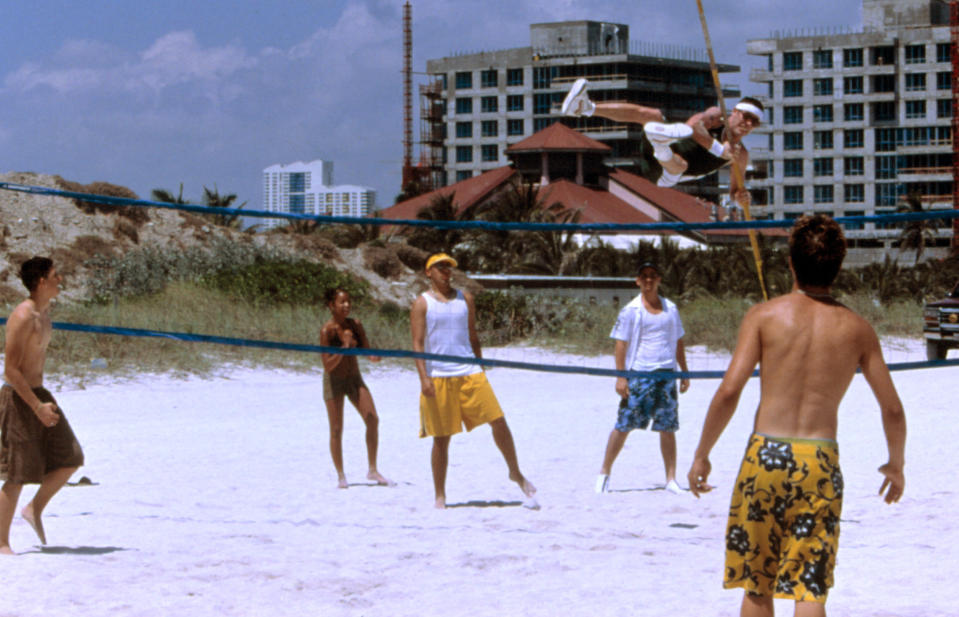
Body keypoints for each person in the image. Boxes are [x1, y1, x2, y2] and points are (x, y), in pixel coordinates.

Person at [687, 215, 906, 617]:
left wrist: (702, 452)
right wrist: (896, 464)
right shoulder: (857, 329)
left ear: (790, 263)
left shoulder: (764, 316)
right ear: (839, 267)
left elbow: (729, 391)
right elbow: (891, 408)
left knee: (757, 583)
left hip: (765, 455)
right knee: (810, 587)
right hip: (818, 460)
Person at [410, 253, 537, 509]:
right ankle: (440, 495)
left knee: (498, 421)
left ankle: (515, 472)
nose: (446, 271)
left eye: (449, 267)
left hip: (469, 371)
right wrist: (424, 378)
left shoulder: (465, 298)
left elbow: (472, 335)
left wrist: (480, 365)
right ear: (428, 273)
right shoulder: (422, 304)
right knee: (441, 438)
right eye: (440, 267)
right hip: (439, 375)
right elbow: (417, 344)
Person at [560, 78, 762, 207]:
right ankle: (585, 107)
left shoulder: (741, 155)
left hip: (665, 174)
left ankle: (660, 145)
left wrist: (740, 198)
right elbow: (693, 126)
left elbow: (735, 192)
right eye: (746, 116)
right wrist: (720, 150)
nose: (748, 123)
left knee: (680, 164)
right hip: (658, 153)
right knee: (653, 115)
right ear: (734, 112)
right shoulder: (716, 117)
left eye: (754, 122)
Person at [1, 257, 84, 554]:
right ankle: (1, 543)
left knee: (71, 457)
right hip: (19, 398)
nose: (59, 280)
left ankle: (33, 510)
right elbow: (10, 370)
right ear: (40, 282)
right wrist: (37, 406)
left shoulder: (44, 315)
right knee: (18, 474)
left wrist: (42, 401)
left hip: (40, 394)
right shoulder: (23, 316)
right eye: (54, 276)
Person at [596, 262, 690, 495]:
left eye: (653, 276)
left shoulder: (671, 308)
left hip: (666, 374)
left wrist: (684, 371)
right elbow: (620, 343)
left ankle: (670, 479)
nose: (649, 280)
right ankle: (604, 474)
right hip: (639, 373)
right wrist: (621, 377)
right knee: (624, 424)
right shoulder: (631, 310)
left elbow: (678, 340)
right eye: (644, 277)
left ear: (659, 280)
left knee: (668, 427)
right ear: (638, 281)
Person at [319, 288, 392, 489]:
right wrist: (344, 348)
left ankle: (372, 469)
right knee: (336, 429)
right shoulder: (327, 331)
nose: (347, 306)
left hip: (354, 378)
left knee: (372, 419)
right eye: (341, 302)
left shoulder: (355, 325)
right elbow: (327, 365)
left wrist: (373, 357)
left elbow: (366, 350)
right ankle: (341, 475)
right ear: (331, 306)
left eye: (348, 301)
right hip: (334, 380)